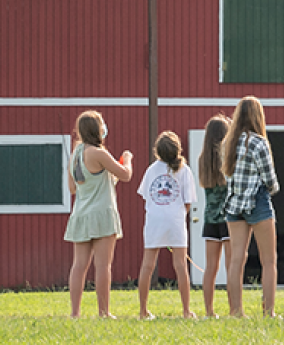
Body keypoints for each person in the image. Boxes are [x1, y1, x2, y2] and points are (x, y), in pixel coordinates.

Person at [65, 110, 130, 318]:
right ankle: (104, 312)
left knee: (79, 266)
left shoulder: (75, 153)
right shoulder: (99, 153)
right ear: (97, 129)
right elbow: (126, 175)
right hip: (102, 214)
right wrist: (127, 158)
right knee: (103, 266)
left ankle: (75, 313)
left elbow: (73, 188)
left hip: (81, 214)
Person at [220, 96, 280, 319]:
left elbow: (227, 174)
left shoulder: (228, 142)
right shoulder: (259, 142)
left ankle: (236, 311)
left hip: (234, 204)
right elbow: (271, 181)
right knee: (269, 260)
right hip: (258, 201)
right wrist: (272, 189)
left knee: (237, 259)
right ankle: (269, 311)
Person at [135, 130, 196, 320]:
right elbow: (188, 201)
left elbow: (146, 195)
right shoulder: (184, 170)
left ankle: (143, 310)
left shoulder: (151, 170)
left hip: (154, 221)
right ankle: (186, 311)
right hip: (176, 220)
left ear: (157, 151)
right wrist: (177, 215)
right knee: (180, 266)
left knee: (147, 265)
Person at [195, 115, 232, 319]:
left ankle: (209, 310)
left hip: (210, 218)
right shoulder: (228, 158)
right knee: (231, 265)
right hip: (227, 217)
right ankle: (233, 307)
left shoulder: (203, 160)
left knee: (210, 267)